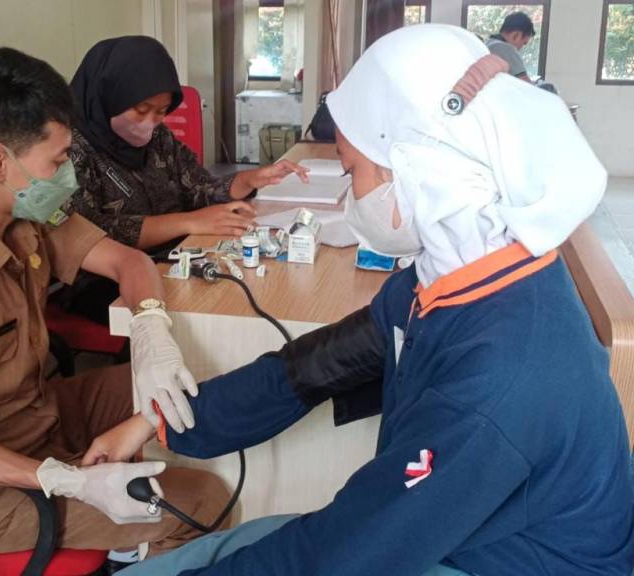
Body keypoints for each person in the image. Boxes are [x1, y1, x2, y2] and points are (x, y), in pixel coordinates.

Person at [83, 25, 634, 575]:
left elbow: (346, 553)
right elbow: (308, 368)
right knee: (235, 545)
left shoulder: (504, 377)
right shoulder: (461, 275)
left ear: (416, 167)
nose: (350, 198)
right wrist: (156, 422)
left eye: (352, 172)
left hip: (505, 563)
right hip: (452, 533)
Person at [0, 46, 228, 576]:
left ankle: (128, 539)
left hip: (41, 414)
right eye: (57, 162)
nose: (68, 177)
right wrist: (66, 480)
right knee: (202, 502)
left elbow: (128, 261)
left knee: (190, 388)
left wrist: (151, 328)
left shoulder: (25, 210)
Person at [60, 36, 309, 323]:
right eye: (141, 109)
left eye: (161, 112)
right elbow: (87, 235)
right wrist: (189, 222)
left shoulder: (158, 138)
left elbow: (198, 186)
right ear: (109, 94)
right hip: (101, 282)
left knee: (248, 291)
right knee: (203, 315)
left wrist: (249, 179)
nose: (151, 122)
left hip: (174, 253)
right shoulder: (67, 149)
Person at [486, 11, 536, 82]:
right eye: (524, 43)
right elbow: (525, 83)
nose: (521, 48)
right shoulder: (505, 48)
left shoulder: (489, 43)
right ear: (516, 35)